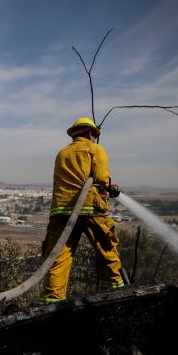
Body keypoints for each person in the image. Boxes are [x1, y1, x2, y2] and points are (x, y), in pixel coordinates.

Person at [39, 117, 125, 303]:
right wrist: (111, 187)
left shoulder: (62, 153)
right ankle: (114, 295)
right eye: (94, 135)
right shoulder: (96, 149)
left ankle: (51, 302)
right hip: (90, 207)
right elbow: (101, 179)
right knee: (106, 248)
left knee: (57, 257)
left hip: (60, 210)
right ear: (89, 133)